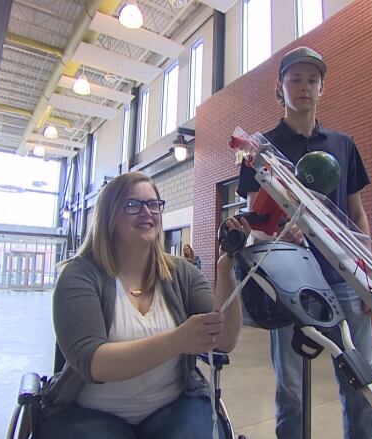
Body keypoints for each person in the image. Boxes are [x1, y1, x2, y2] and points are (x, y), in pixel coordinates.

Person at [40, 171, 249, 438]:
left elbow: (224, 340)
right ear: (109, 216)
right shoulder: (79, 276)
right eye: (132, 205)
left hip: (172, 404)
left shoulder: (182, 273)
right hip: (91, 412)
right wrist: (176, 341)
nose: (147, 212)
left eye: (153, 204)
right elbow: (95, 363)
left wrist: (227, 266)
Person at [236, 46, 372, 439]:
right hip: (290, 284)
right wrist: (278, 231)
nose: (304, 87)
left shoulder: (343, 145)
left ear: (322, 89)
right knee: (292, 393)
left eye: (312, 80)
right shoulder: (260, 148)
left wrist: (366, 279)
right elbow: (256, 223)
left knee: (362, 386)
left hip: (343, 279)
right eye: (294, 79)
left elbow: (357, 215)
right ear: (280, 89)